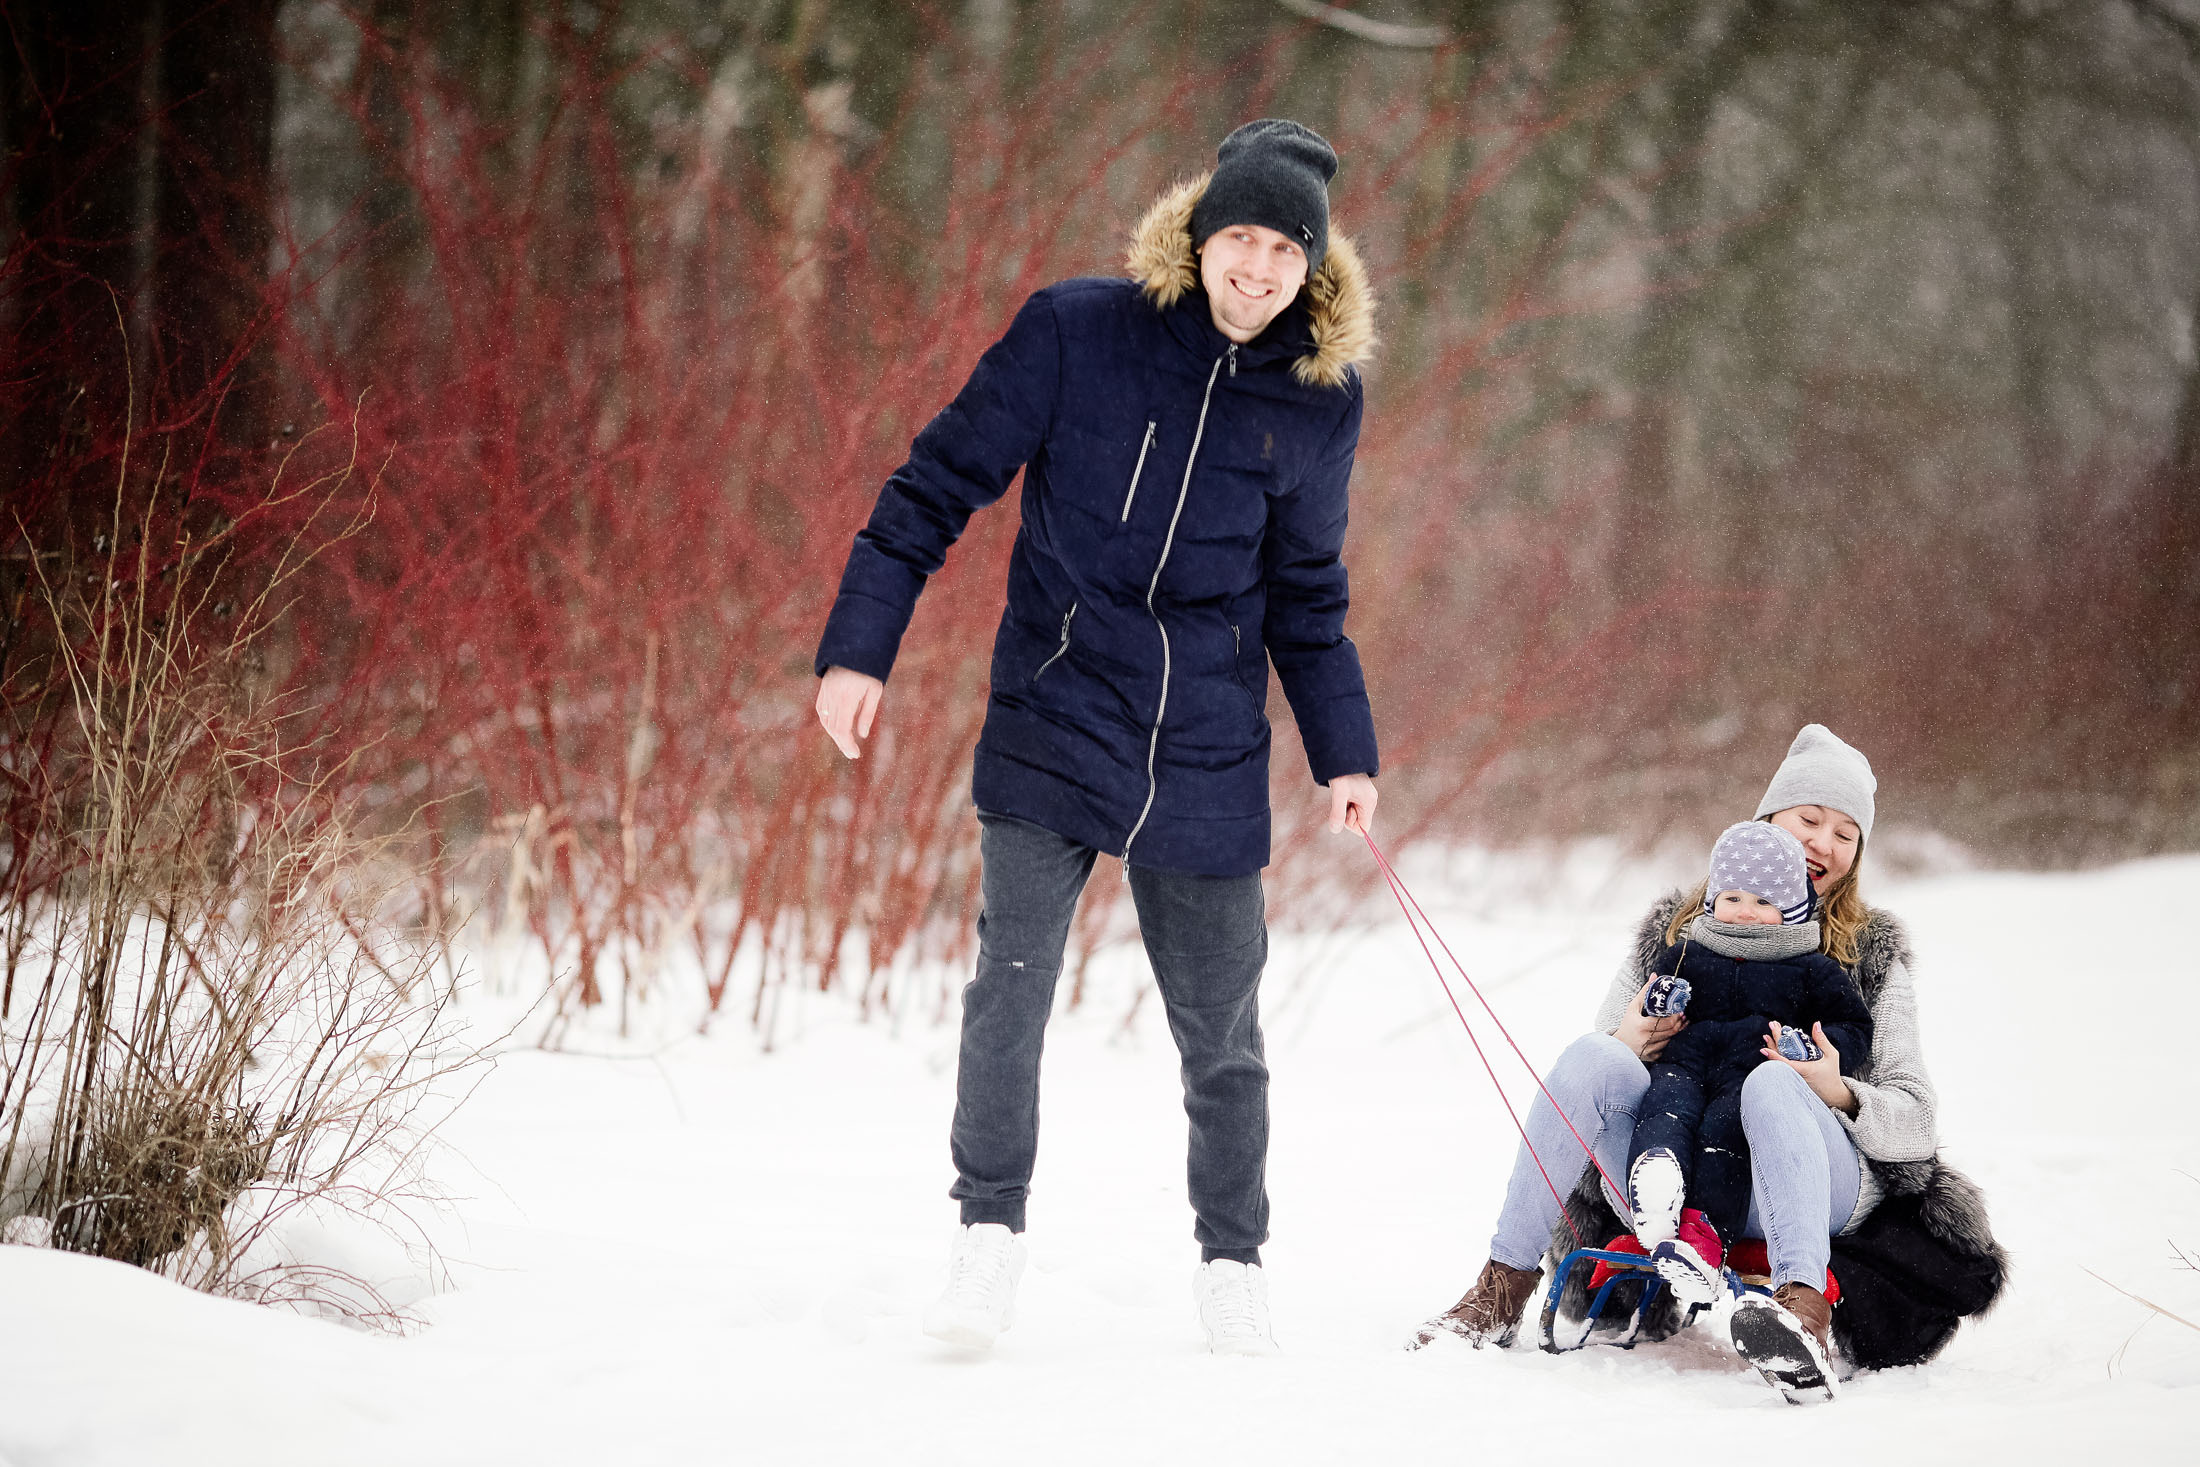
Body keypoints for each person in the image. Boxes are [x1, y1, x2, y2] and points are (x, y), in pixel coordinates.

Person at [812, 119, 1381, 1356]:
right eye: (1239, 236)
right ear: (1198, 233)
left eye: (1284, 250)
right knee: (1009, 988)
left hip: (1208, 742)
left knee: (1221, 1034)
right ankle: (986, 1242)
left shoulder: (1319, 403)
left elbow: (1308, 598)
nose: (1257, 267)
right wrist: (859, 647)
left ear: (1310, 268)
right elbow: (932, 487)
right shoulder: (1076, 331)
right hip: (1056, 707)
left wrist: (1346, 753)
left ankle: (1233, 1264)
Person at [1408, 724, 2007, 1403]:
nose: (1822, 842)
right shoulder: (1678, 934)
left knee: (1773, 1082)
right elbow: (1601, 1081)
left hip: (1799, 1179)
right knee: (1590, 1054)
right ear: (1764, 820)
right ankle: (1498, 1293)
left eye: (1846, 833)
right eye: (1809, 818)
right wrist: (1633, 1035)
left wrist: (1837, 1088)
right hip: (1664, 1167)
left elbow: (1916, 1123)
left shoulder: (1865, 957)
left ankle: (1801, 1317)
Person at [1618, 820, 1873, 1330]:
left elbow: (1852, 1025)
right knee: (1663, 1107)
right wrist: (1656, 1002)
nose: (1745, 912)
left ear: (1792, 909)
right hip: (1685, 1063)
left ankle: (1704, 1236)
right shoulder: (1691, 949)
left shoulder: (1810, 967)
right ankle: (1655, 1181)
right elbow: (1655, 989)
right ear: (1713, 899)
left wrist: (1814, 1049)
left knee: (1721, 1139)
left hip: (1749, 1076)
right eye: (1732, 897)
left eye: (1762, 901)